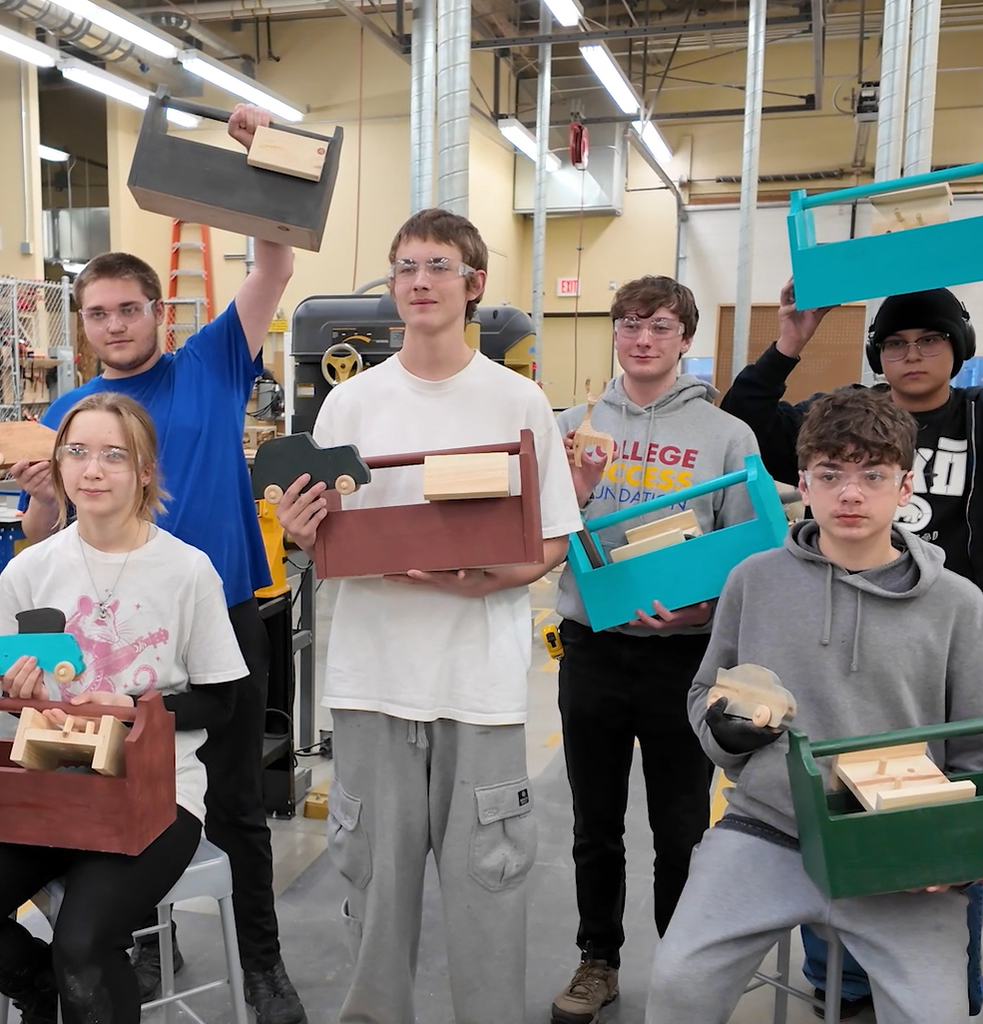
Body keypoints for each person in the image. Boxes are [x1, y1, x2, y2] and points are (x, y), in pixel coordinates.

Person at [10, 107, 305, 1024]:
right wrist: (43, 498)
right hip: (114, 635)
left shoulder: (211, 359)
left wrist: (260, 160)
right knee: (114, 782)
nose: (113, 325)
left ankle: (263, 964)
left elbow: (274, 263)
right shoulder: (72, 414)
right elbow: (50, 536)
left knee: (238, 805)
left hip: (223, 614)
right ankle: (131, 940)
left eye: (127, 308)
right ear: (84, 325)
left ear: (158, 312)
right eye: (96, 314)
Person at [276, 207, 580, 1024]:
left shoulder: (518, 401)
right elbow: (323, 540)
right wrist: (302, 533)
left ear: (473, 284)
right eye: (406, 266)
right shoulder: (350, 405)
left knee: (490, 899)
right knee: (374, 899)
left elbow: (554, 537)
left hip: (478, 688)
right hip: (372, 682)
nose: (419, 280)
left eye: (439, 265)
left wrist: (488, 580)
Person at [645, 388, 983, 1024]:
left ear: (905, 488)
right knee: (679, 982)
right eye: (830, 474)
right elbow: (705, 692)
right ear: (803, 484)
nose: (850, 493)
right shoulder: (753, 580)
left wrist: (954, 854)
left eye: (873, 476)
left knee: (935, 1014)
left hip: (899, 846)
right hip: (769, 827)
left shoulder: (959, 606)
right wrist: (726, 734)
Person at [720, 268, 983, 1016]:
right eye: (895, 343)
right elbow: (746, 419)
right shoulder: (846, 421)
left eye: (930, 341)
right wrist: (791, 341)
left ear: (959, 348)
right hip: (846, 655)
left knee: (944, 813)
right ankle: (843, 988)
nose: (912, 355)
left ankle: (949, 985)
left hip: (953, 655)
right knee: (836, 809)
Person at [549, 275, 759, 1024]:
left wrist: (707, 609)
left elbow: (748, 553)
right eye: (631, 323)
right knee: (594, 823)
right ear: (615, 331)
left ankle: (680, 965)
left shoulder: (727, 436)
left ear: (685, 339)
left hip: (685, 658)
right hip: (594, 647)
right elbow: (543, 533)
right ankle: (597, 959)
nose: (643, 338)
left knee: (680, 829)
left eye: (661, 325)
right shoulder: (571, 425)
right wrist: (574, 485)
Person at [0, 393, 247, 1024]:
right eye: (77, 452)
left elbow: (221, 703)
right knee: (62, 964)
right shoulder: (29, 572)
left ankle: (67, 982)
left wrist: (131, 706)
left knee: (83, 946)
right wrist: (19, 697)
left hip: (157, 791)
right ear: (58, 465)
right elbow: (8, 698)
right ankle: (40, 989)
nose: (93, 470)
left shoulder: (187, 571)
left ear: (144, 471)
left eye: (115, 455)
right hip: (51, 781)